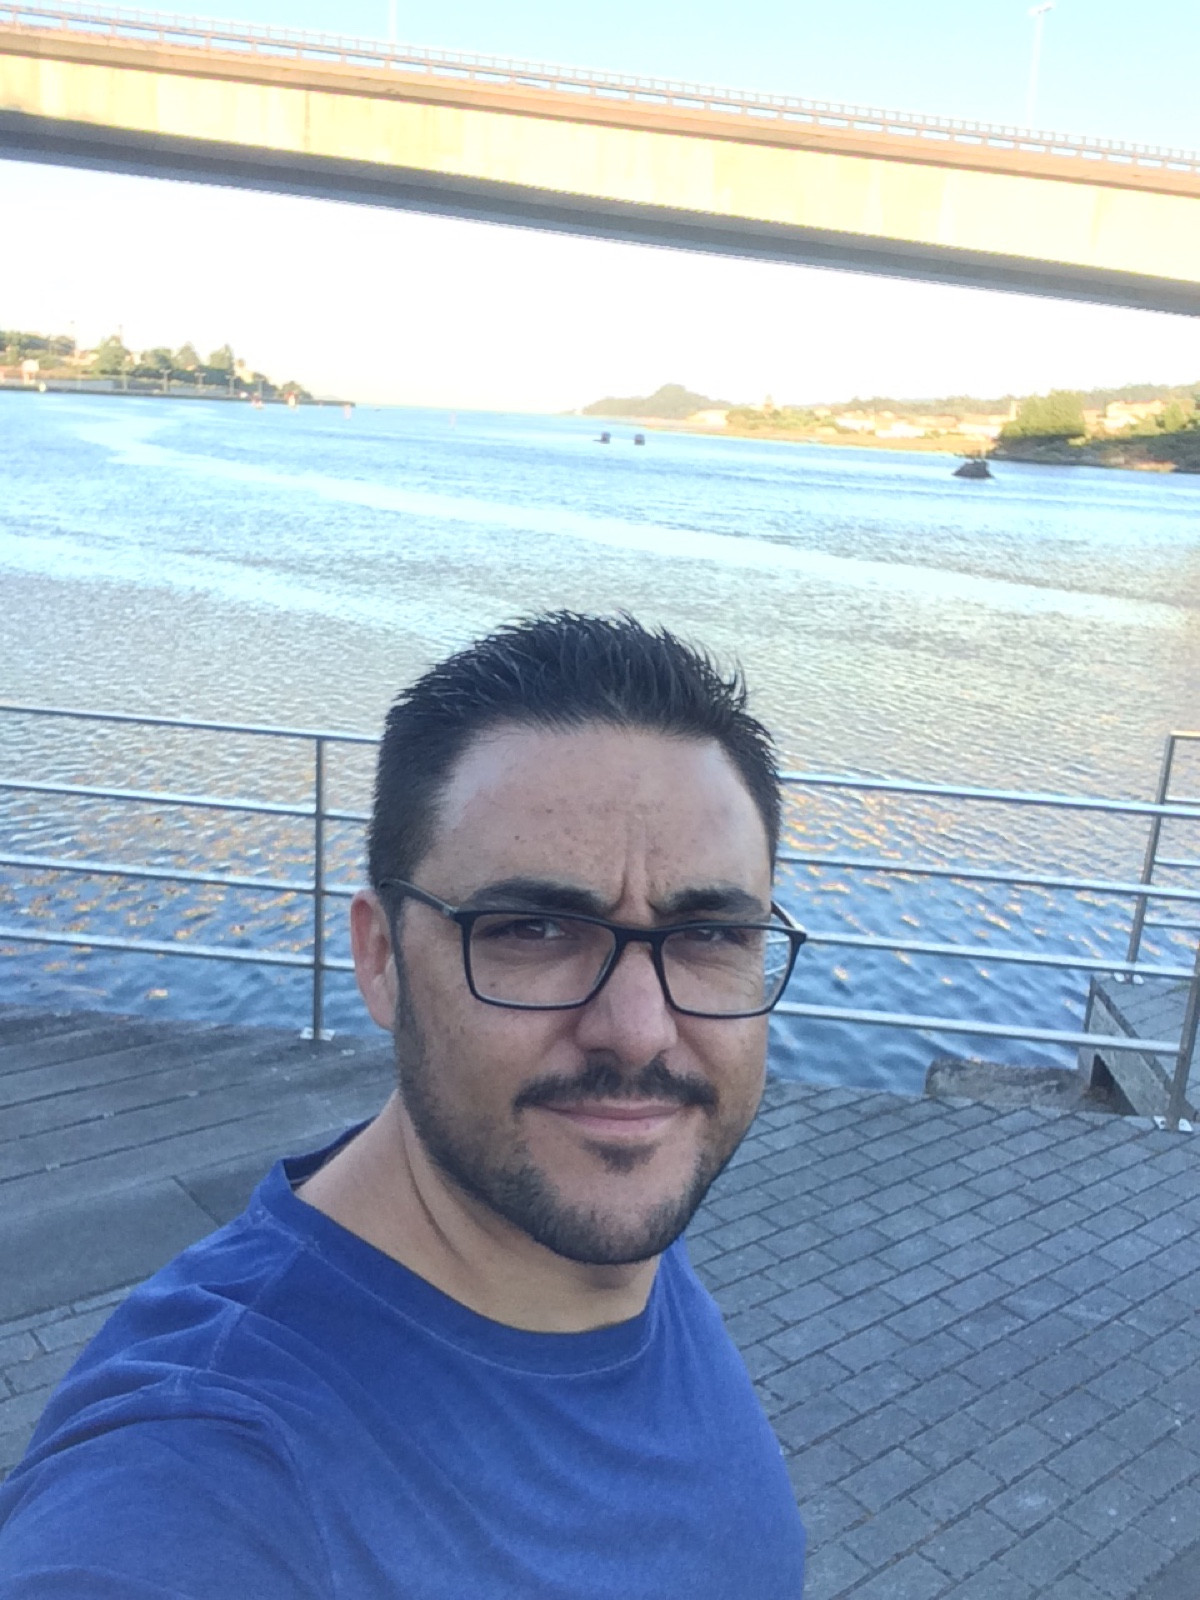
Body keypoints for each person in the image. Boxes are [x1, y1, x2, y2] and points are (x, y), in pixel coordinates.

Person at [0, 612, 808, 1598]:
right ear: (381, 958)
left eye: (710, 935)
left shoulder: (598, 1217)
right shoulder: (198, 1486)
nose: (638, 1032)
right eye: (532, 929)